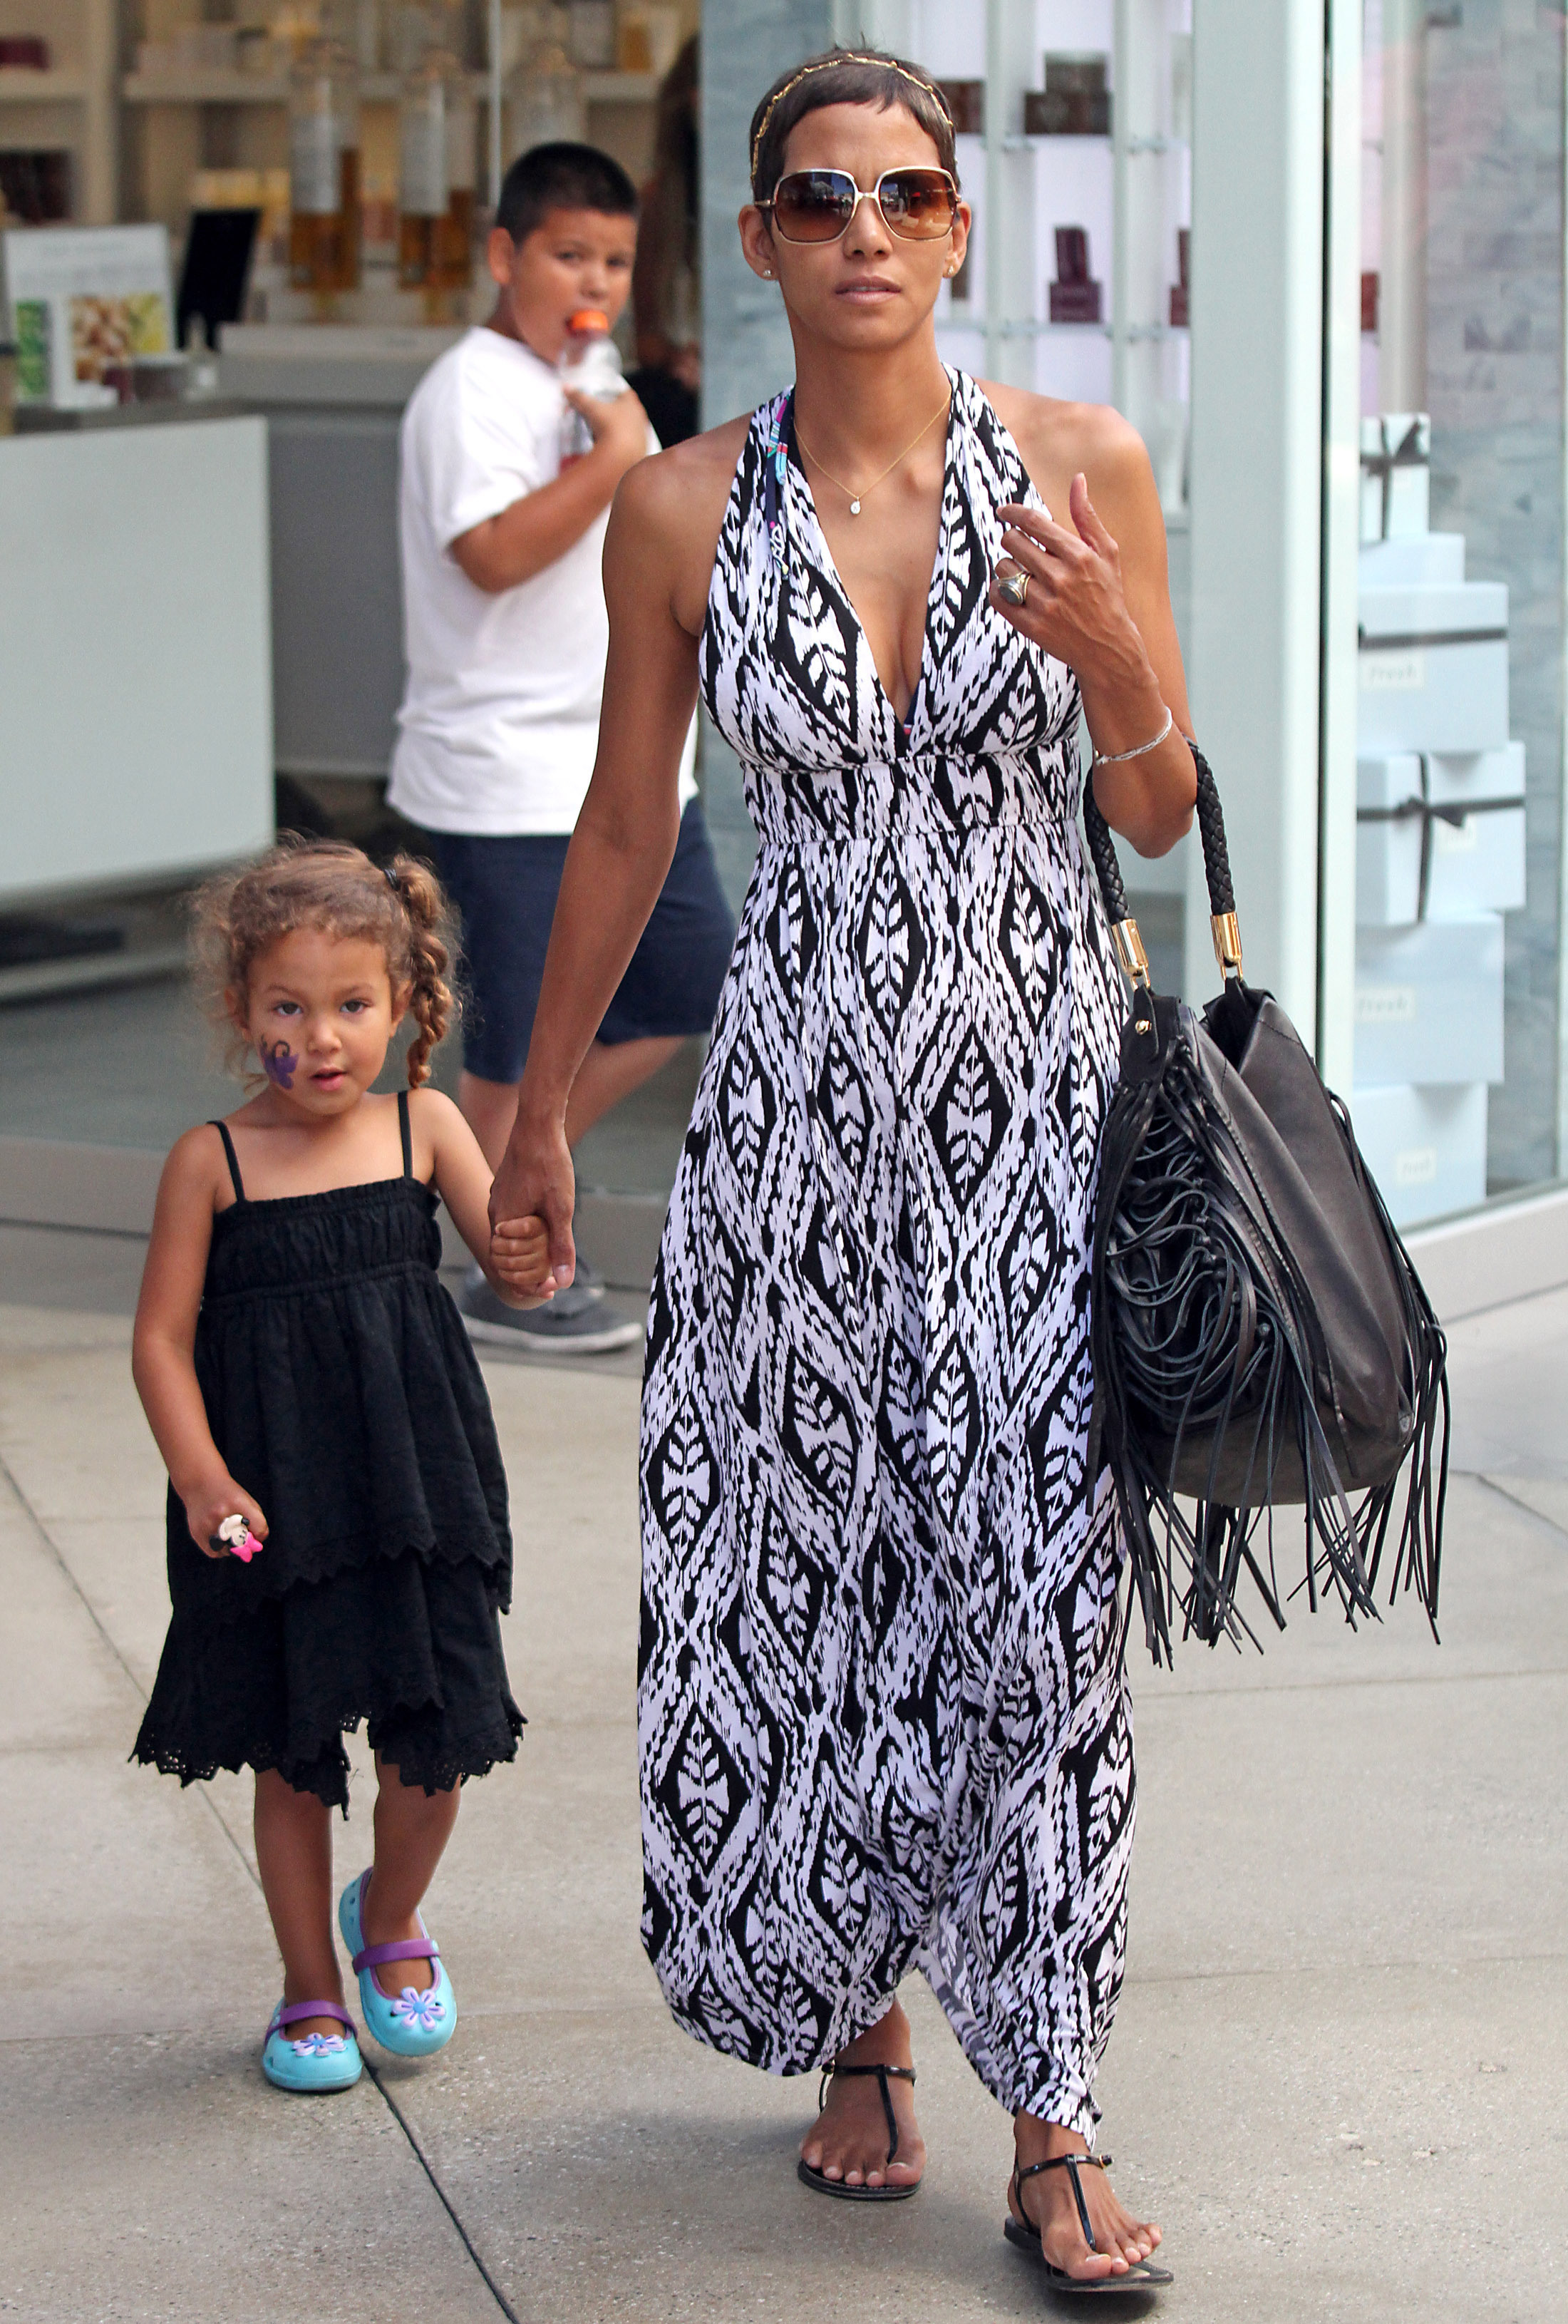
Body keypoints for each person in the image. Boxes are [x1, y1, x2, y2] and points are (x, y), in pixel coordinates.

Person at [491, 47, 1195, 2293]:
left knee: (1034, 1600)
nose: (864, 232)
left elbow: (1166, 818)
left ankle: (1057, 2106)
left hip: (1030, 1123)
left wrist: (1116, 678)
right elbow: (625, 831)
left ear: (959, 230)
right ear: (765, 239)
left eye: (904, 195)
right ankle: (857, 2028)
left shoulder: (1079, 470)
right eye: (820, 199)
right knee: (805, 1577)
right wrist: (526, 1114)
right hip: (791, 1122)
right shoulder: (682, 512)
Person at [130, 839, 551, 2094]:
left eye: (352, 1006)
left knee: (438, 1741)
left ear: (406, 1008)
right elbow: (158, 1339)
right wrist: (204, 1480)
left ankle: (391, 1920)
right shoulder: (212, 1161)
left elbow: (508, 1266)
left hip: (418, 1490)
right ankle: (309, 1983)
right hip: (271, 1496)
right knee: (293, 1746)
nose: (319, 1038)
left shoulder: (426, 1126)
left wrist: (529, 1252)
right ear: (241, 1010)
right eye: (287, 1007)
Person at [388, 140, 736, 1354]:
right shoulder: (468, 391)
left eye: (617, 258)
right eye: (568, 254)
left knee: (687, 980)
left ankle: (490, 1211)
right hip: (501, 776)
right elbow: (488, 556)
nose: (595, 278)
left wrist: (621, 443)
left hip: (628, 767)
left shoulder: (593, 379)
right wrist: (615, 466)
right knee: (515, 1042)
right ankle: (507, 1266)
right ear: (504, 257)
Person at [627, 35, 701, 448]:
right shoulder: (658, 204)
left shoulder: (786, 202)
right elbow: (647, 340)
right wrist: (682, 360)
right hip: (680, 397)